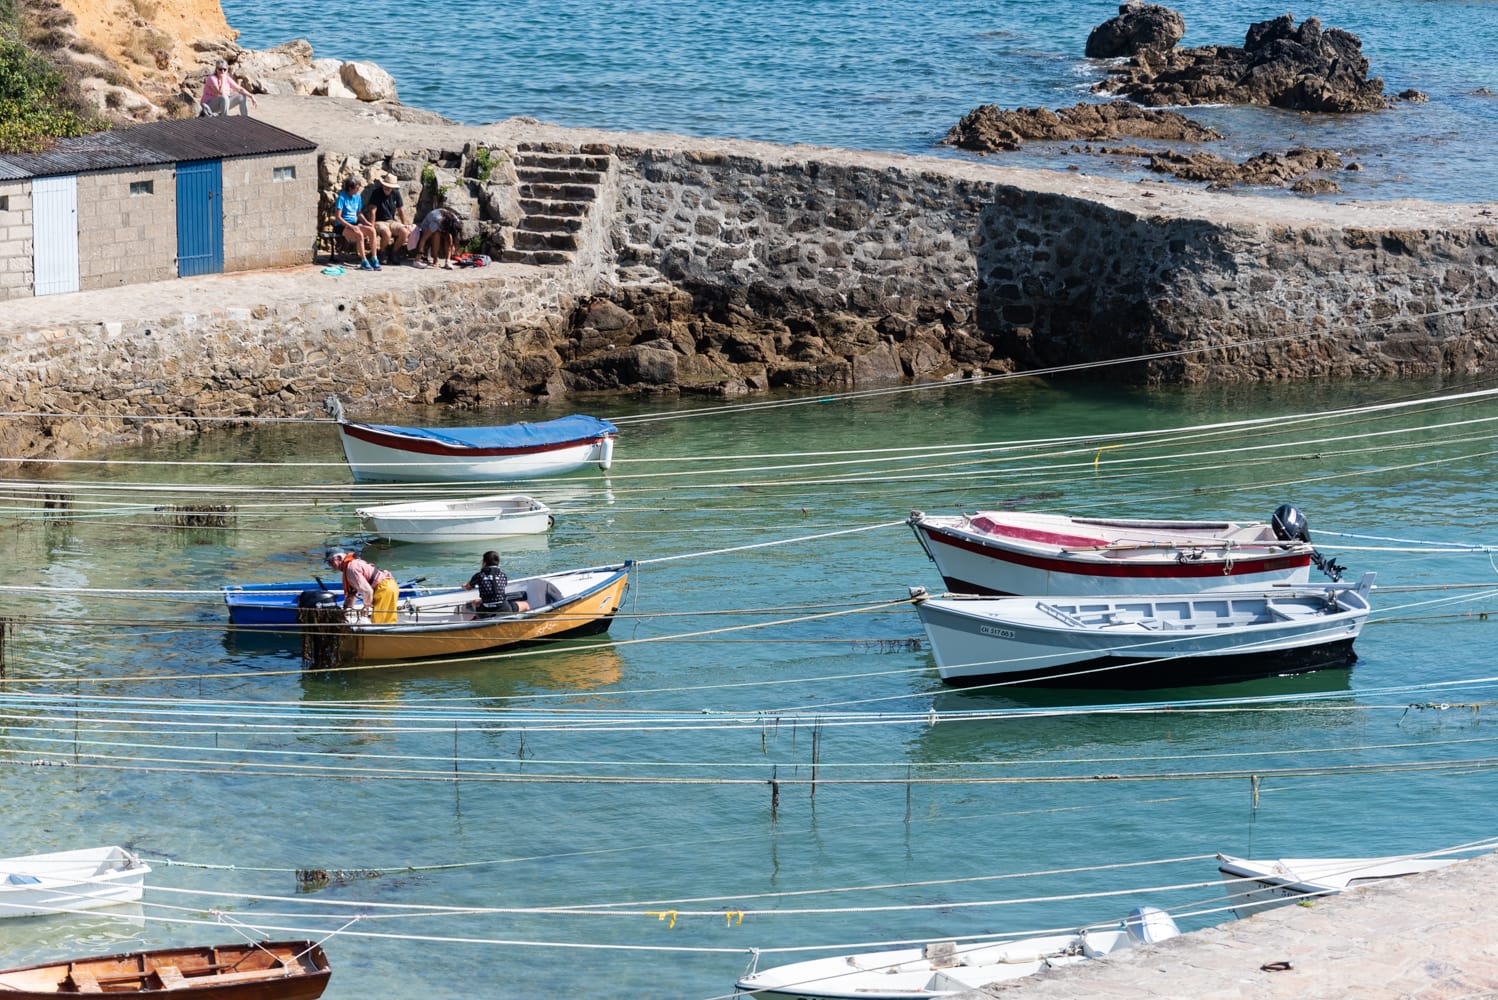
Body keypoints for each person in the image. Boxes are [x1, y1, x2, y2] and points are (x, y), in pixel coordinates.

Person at [326, 550, 398, 623]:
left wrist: (366, 607)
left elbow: (367, 591)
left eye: (330, 562)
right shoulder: (352, 564)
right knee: (386, 619)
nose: (330, 565)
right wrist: (346, 610)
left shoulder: (351, 569)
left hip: (384, 589)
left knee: (381, 623)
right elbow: (352, 593)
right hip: (387, 586)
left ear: (339, 558)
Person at [360, 172, 413, 266]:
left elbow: (400, 210)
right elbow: (372, 210)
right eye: (386, 186)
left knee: (405, 232)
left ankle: (394, 252)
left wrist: (405, 224)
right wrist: (372, 226)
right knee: (386, 233)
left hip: (391, 221)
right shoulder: (376, 193)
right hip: (379, 221)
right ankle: (383, 253)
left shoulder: (396, 193)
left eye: (389, 187)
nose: (387, 188)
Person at [463, 550, 530, 616]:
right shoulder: (503, 575)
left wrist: (463, 585)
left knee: (475, 602)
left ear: (484, 563)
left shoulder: (479, 575)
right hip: (504, 609)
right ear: (498, 563)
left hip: (486, 611)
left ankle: (479, 618)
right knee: (526, 605)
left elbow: (468, 588)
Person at [334, 177, 380, 271]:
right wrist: (351, 227)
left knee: (372, 230)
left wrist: (367, 223)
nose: (358, 190)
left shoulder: (357, 197)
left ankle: (374, 258)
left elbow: (359, 213)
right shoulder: (341, 198)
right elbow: (338, 217)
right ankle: (363, 260)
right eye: (357, 188)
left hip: (353, 223)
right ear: (350, 188)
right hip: (341, 225)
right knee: (359, 234)